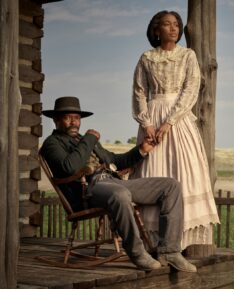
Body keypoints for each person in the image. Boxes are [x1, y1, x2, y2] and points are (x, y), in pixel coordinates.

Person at [40, 96, 196, 272]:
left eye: (77, 118)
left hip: (112, 181)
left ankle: (170, 251)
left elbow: (115, 160)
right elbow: (69, 168)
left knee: (170, 186)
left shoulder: (84, 139)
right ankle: (137, 253)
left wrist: (141, 150)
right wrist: (89, 139)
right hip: (88, 190)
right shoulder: (52, 143)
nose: (74, 122)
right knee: (120, 195)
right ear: (55, 120)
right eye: (68, 118)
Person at [131, 10, 220, 250]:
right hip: (152, 117)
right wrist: (146, 122)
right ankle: (150, 239)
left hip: (178, 120)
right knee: (152, 171)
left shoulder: (187, 55)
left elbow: (191, 88)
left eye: (176, 25)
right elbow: (139, 91)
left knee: (184, 170)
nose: (173, 28)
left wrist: (170, 121)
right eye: (167, 24)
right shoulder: (147, 57)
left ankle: (180, 241)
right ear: (156, 30)